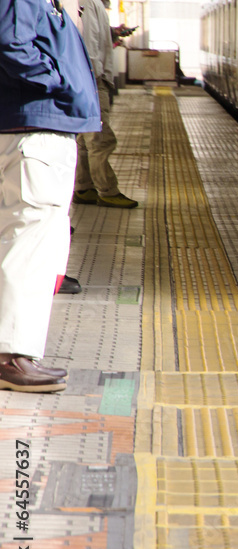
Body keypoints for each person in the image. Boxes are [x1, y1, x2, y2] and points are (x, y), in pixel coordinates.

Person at [0, 0, 101, 391]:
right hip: (35, 127)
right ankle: (11, 357)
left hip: (38, 127)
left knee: (27, 239)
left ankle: (15, 353)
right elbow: (10, 41)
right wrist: (58, 81)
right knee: (28, 242)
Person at [72, 0, 137, 209]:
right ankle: (107, 190)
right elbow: (89, 44)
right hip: (92, 80)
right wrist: (93, 80)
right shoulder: (89, 4)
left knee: (85, 139)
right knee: (100, 139)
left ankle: (83, 187)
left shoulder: (89, 3)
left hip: (88, 78)